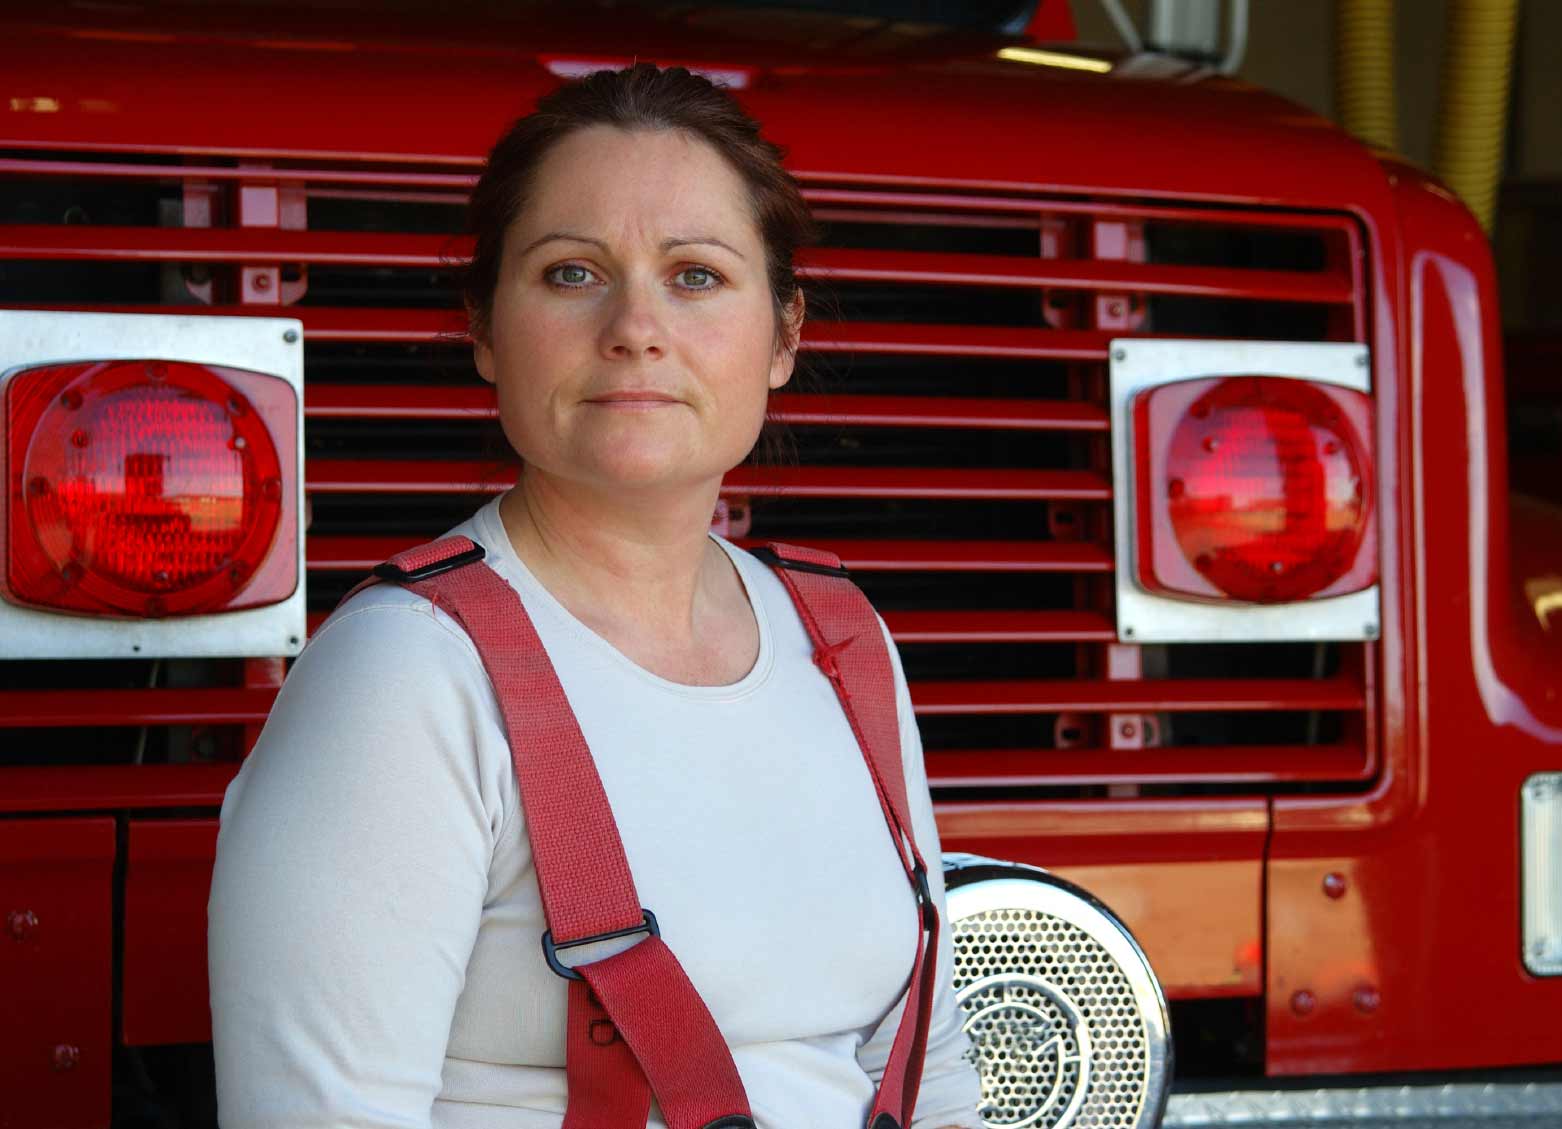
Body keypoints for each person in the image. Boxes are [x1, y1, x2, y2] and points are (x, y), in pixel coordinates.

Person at [207, 64, 986, 1129]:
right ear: (483, 327)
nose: (634, 326)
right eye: (572, 274)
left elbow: (932, 1075)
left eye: (697, 276)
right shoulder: (405, 676)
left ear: (784, 335)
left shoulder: (842, 641)